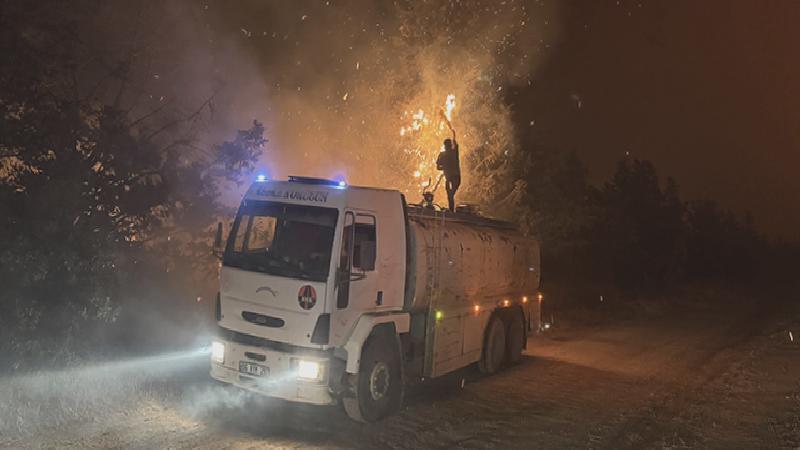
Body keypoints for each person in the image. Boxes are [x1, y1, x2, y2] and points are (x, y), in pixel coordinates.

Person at [436, 137, 461, 212]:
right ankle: (451, 210)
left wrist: (445, 167)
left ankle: (451, 210)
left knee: (450, 195)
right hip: (453, 177)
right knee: (450, 195)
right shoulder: (453, 152)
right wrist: (445, 167)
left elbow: (438, 167)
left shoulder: (449, 153)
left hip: (453, 177)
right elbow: (438, 167)